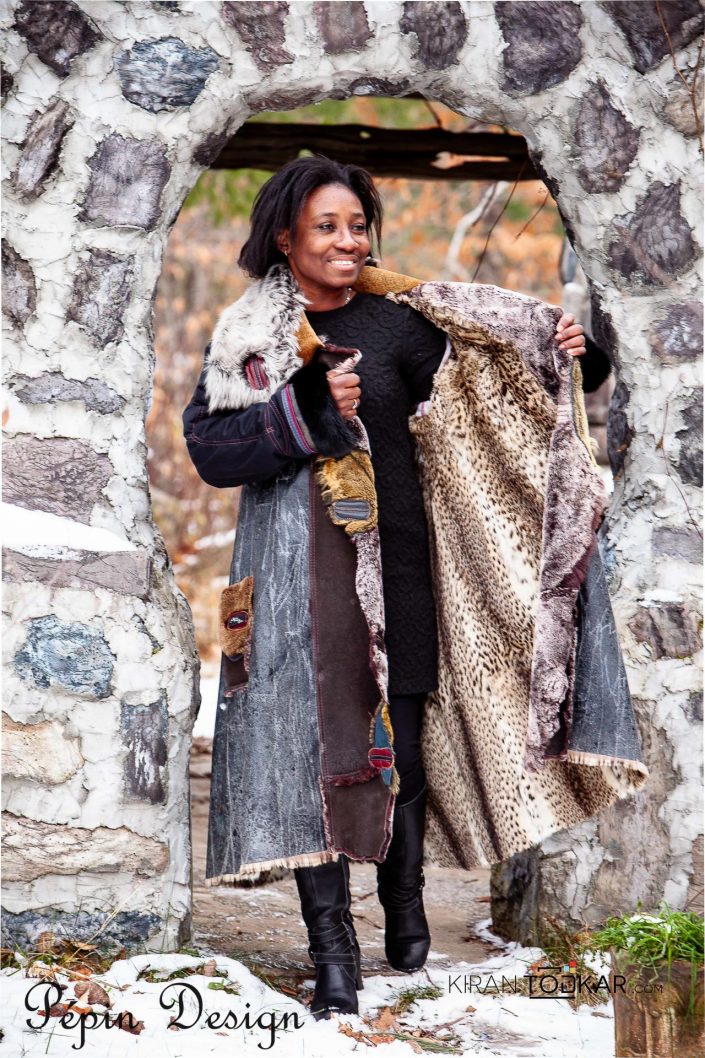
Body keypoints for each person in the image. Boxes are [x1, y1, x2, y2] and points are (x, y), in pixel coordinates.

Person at [182, 156, 612, 1020]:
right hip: (295, 586)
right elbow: (210, 452)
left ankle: (404, 896)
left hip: (403, 568)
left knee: (400, 752)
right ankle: (332, 951)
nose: (349, 240)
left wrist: (570, 356)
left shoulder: (400, 323)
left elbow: (500, 389)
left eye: (357, 224)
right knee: (312, 758)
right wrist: (304, 411)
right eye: (327, 227)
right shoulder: (248, 338)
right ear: (284, 239)